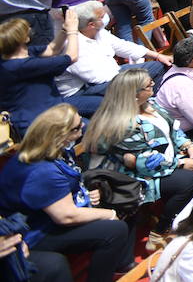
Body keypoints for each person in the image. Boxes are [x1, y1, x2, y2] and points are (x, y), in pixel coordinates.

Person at [0, 104, 135, 282]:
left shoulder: (59, 151)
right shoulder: (42, 171)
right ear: (60, 135)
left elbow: (68, 186)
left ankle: (123, 264)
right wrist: (109, 213)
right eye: (77, 127)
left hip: (53, 212)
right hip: (37, 231)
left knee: (126, 199)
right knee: (114, 228)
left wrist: (86, 194)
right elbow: (66, 216)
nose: (83, 127)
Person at [84, 68, 193, 248]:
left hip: (165, 161)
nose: (153, 85)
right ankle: (161, 230)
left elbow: (174, 130)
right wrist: (181, 162)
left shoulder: (152, 104)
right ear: (134, 95)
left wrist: (189, 146)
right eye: (148, 85)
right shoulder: (122, 124)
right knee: (189, 180)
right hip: (134, 176)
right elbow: (142, 161)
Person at [55, 0, 170, 108]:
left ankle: (151, 105)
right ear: (91, 24)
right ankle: (139, 109)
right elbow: (96, 77)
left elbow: (123, 46)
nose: (106, 18)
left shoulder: (99, 32)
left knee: (158, 67)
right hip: (85, 89)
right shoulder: (72, 44)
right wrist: (131, 78)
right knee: (140, 80)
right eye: (101, 17)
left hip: (112, 74)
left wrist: (158, 56)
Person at [0, 10, 81, 134]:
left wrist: (64, 30)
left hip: (51, 110)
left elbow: (52, 49)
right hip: (39, 122)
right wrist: (73, 30)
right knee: (89, 126)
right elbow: (72, 56)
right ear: (23, 39)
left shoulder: (19, 54)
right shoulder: (21, 66)